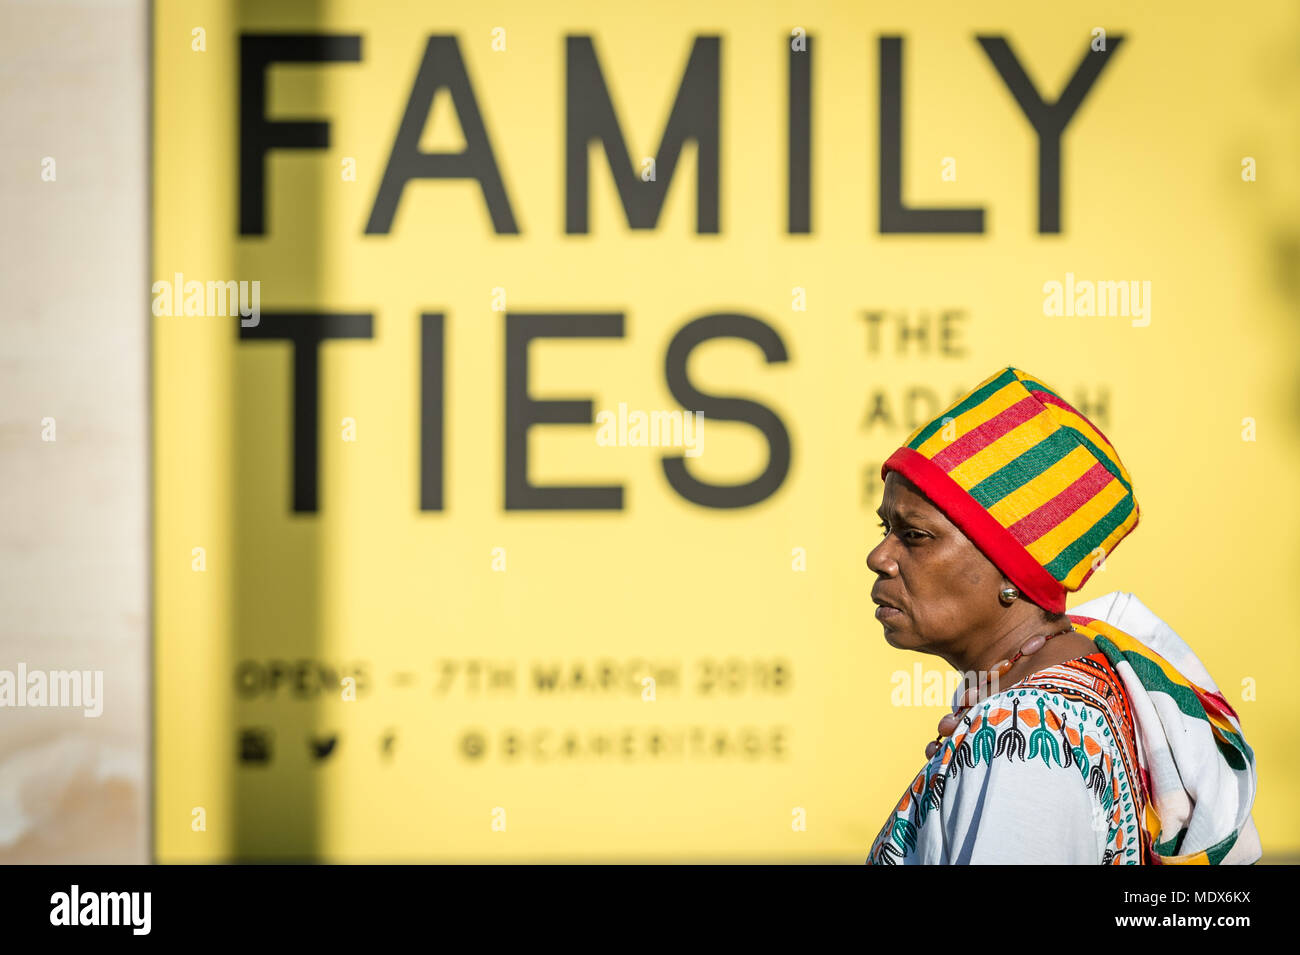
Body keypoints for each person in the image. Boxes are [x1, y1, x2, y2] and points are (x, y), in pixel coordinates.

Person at [864, 366, 1260, 864]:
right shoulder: (1064, 685)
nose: (880, 557)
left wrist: (996, 756)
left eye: (914, 535)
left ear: (1012, 569)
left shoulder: (1025, 739)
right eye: (884, 528)